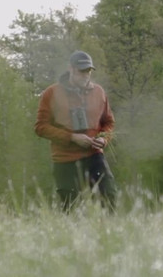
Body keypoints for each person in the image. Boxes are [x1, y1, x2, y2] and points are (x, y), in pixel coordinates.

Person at [34, 50, 117, 212]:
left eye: (89, 71)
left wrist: (104, 139)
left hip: (94, 156)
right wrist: (71, 137)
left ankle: (107, 234)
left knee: (109, 197)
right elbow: (40, 127)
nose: (86, 75)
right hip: (65, 160)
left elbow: (109, 123)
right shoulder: (51, 93)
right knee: (70, 209)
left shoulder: (99, 92)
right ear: (70, 69)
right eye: (82, 71)